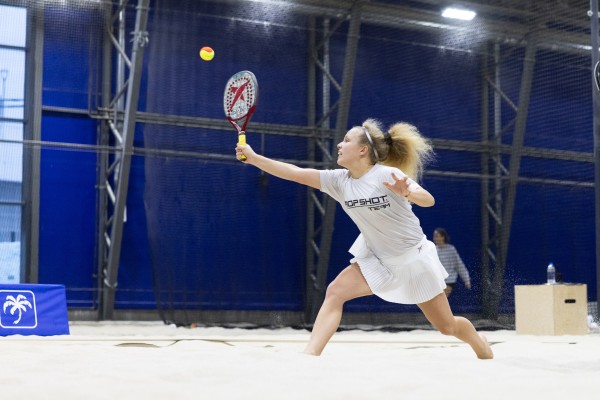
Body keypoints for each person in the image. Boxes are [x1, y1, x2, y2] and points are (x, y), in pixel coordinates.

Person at [235, 118, 493, 359]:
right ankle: (310, 356)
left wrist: (407, 193)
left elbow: (428, 200)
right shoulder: (339, 181)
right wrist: (255, 158)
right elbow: (294, 172)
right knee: (335, 292)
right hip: (378, 259)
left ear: (363, 150)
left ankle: (478, 341)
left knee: (447, 327)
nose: (339, 144)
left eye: (347, 140)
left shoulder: (387, 175)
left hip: (413, 261)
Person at [433, 228, 471, 297]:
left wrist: (466, 279)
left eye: (440, 236)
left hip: (449, 280)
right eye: (436, 236)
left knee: (442, 297)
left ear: (444, 237)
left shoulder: (451, 249)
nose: (438, 238)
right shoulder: (432, 250)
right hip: (437, 281)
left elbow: (459, 265)